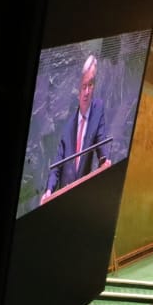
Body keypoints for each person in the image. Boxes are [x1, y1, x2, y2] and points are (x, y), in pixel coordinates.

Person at [45, 54, 109, 198]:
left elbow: (101, 140)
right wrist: (49, 190)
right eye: (84, 86)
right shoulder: (68, 126)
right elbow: (56, 165)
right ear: (78, 91)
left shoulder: (97, 109)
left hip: (82, 195)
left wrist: (104, 159)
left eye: (90, 85)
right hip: (63, 195)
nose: (87, 92)